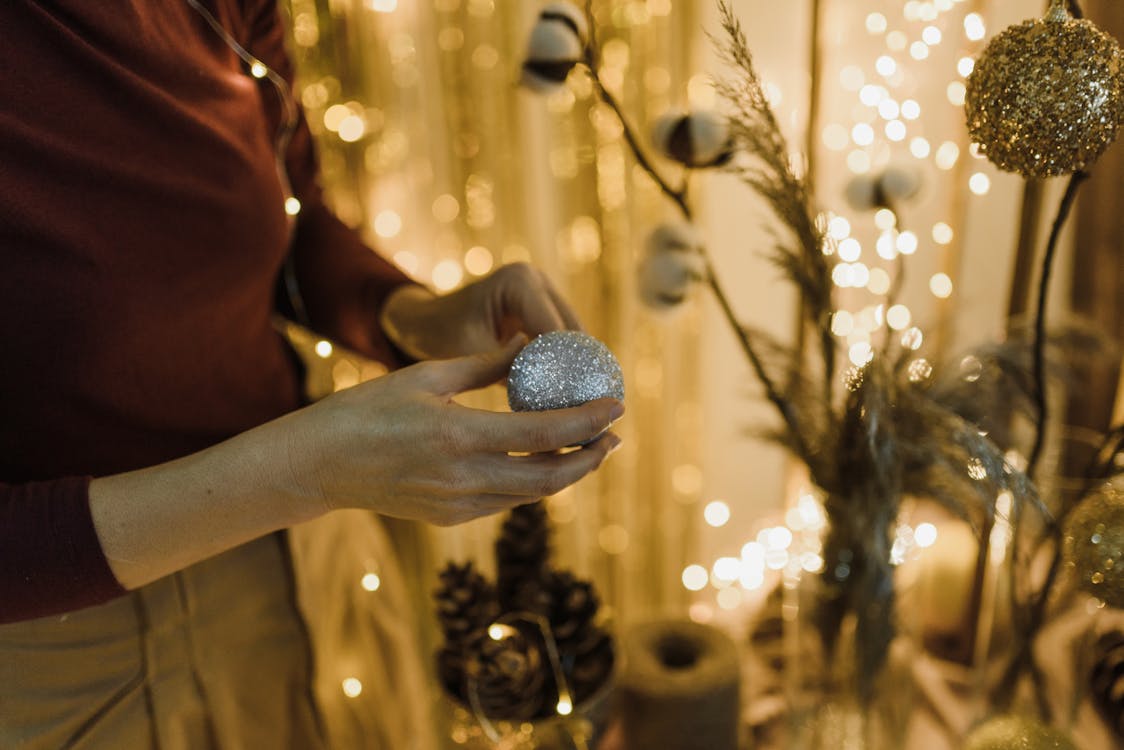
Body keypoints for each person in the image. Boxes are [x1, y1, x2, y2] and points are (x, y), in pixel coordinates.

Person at [0, 1, 622, 746]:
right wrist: (303, 472)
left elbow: (289, 222)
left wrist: (411, 317)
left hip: (300, 568)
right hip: (68, 660)